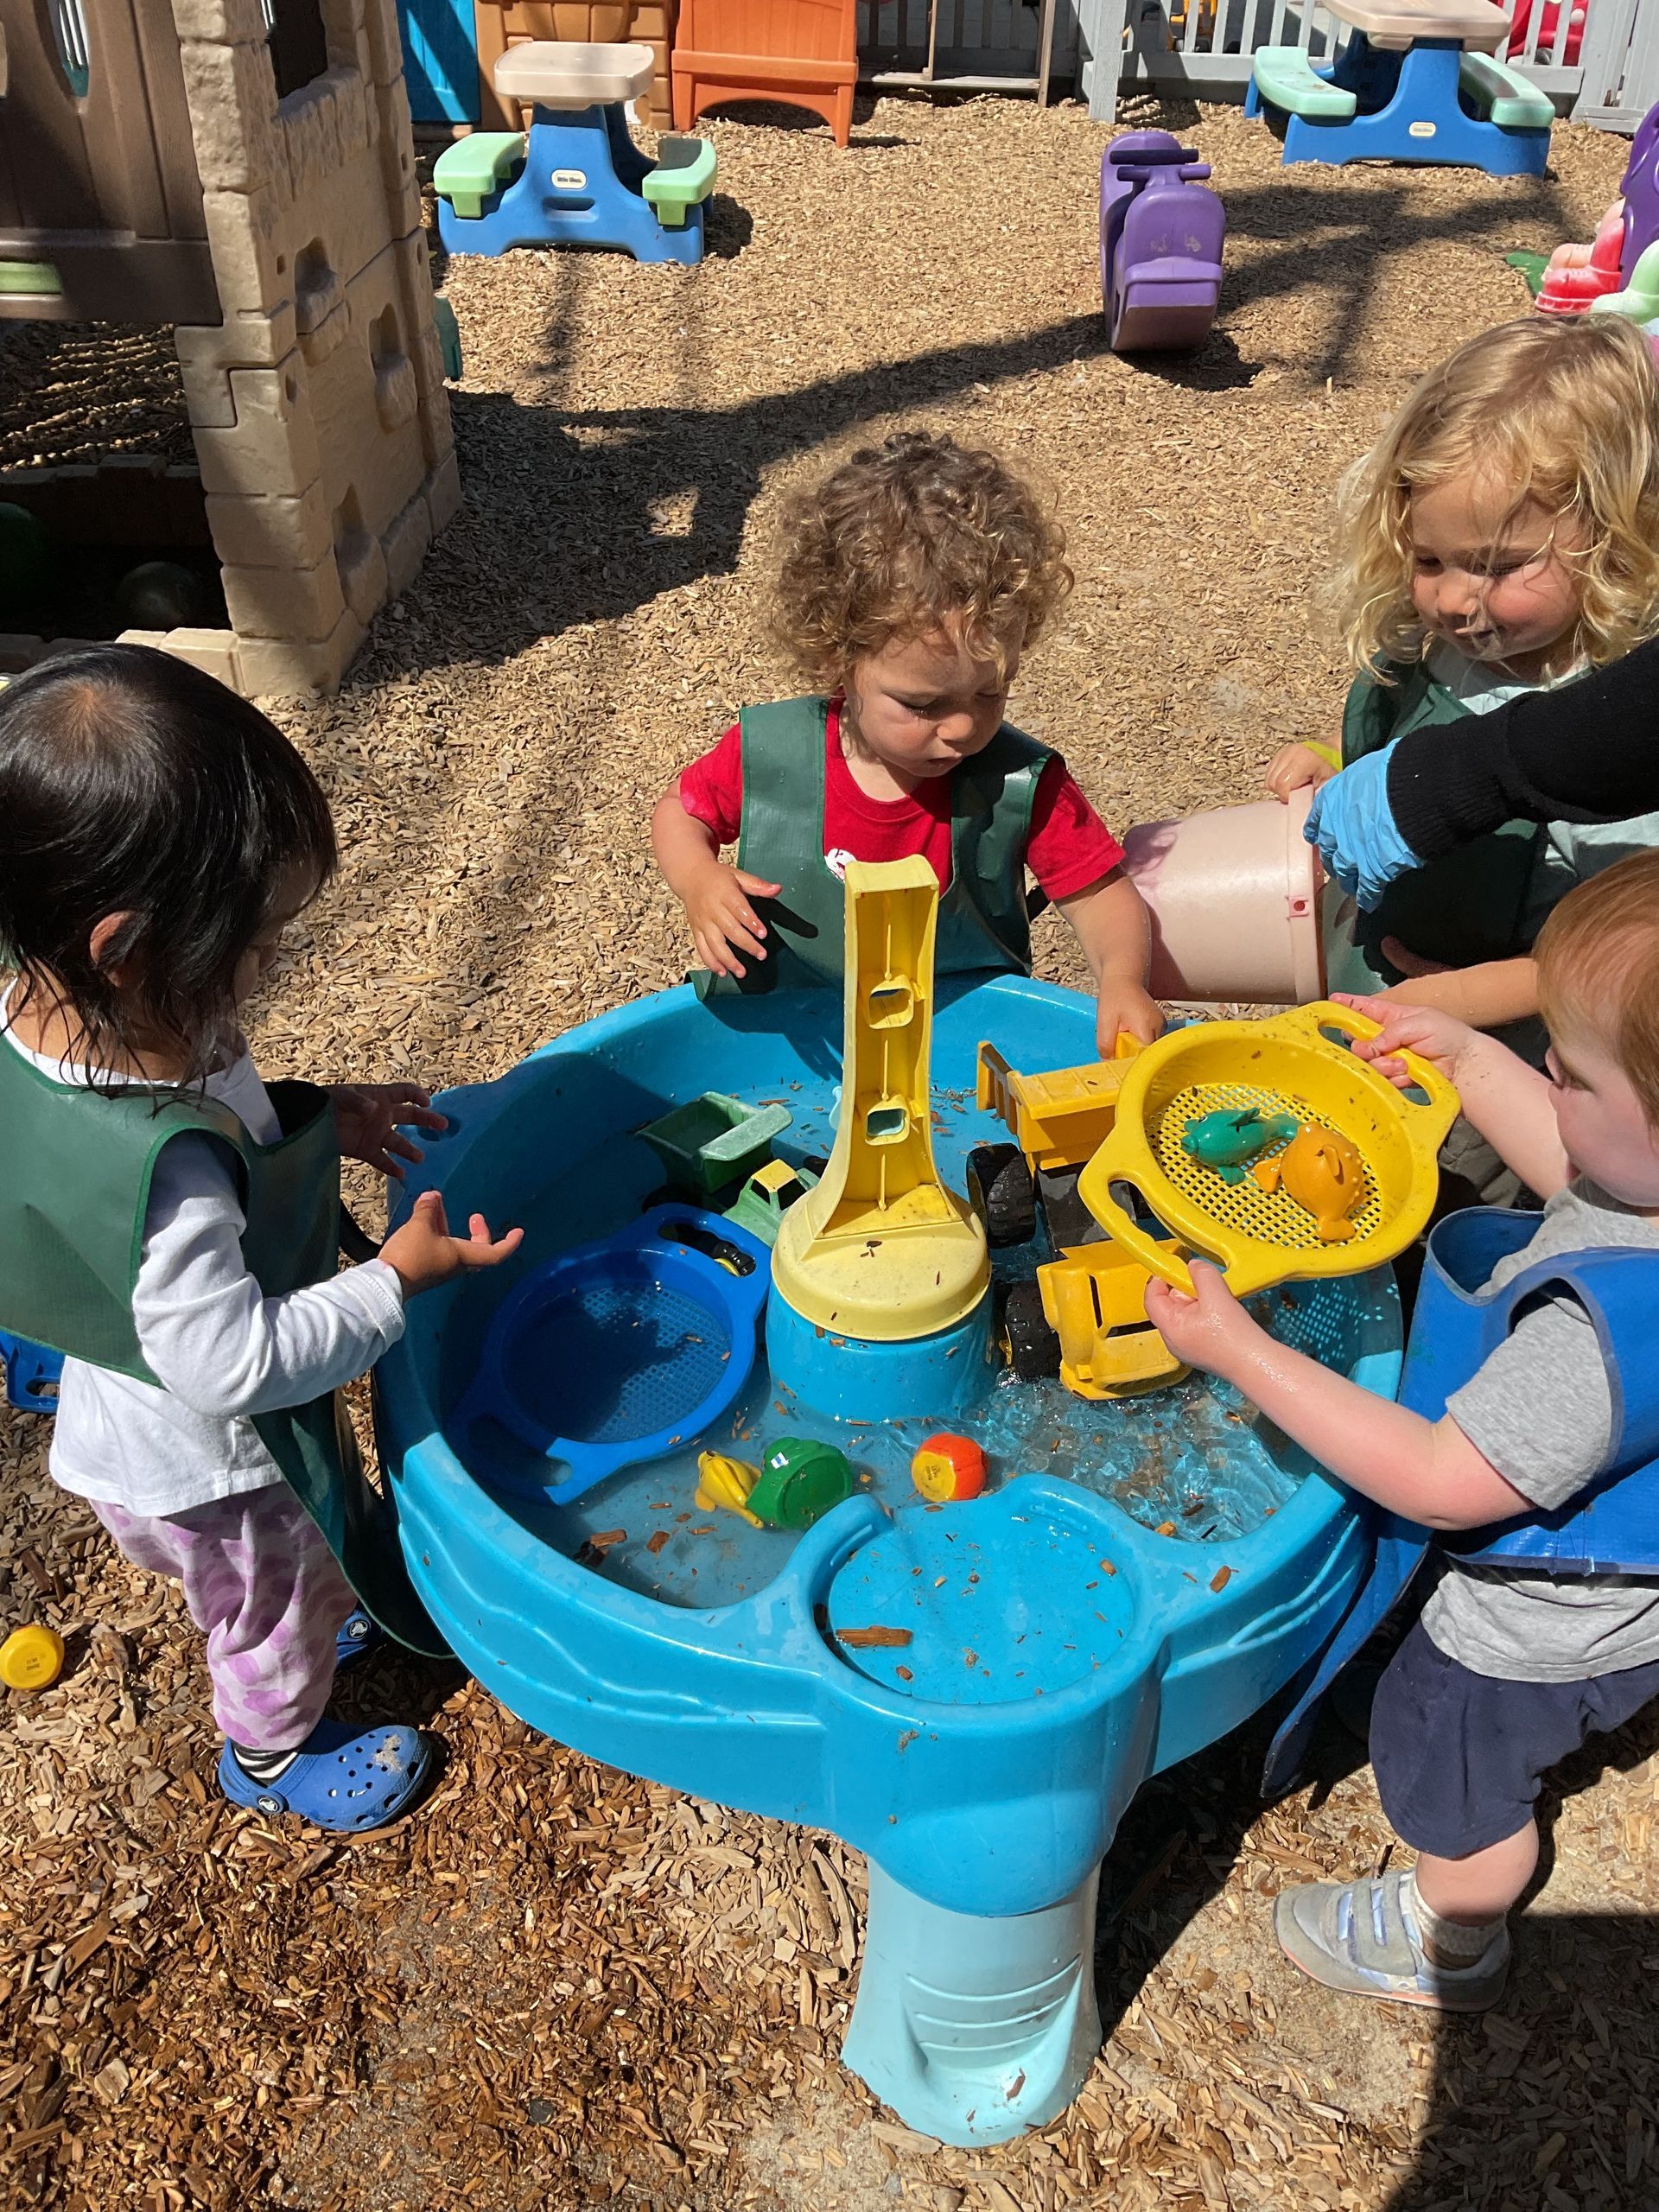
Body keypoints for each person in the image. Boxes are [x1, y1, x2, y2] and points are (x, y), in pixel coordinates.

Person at [0, 646, 521, 1833]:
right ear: (125, 949)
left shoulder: (60, 1006)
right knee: (261, 1614)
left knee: (287, 1577)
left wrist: (314, 1116)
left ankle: (321, 1607)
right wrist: (395, 1283)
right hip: (208, 1467)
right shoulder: (170, 1173)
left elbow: (209, 1109)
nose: (270, 963)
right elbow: (230, 1365)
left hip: (130, 1385)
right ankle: (272, 1750)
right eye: (260, 935)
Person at [1145, 853, 1659, 2013]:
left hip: (1532, 1631)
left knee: (1448, 1765)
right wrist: (1470, 1056)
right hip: (1622, 1567)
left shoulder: (1601, 1344)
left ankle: (1450, 1934)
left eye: (1567, 1073)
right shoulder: (1646, 1196)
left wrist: (1243, 1352)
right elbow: (1581, 1176)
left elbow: (1436, 1480)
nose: (1551, 1088)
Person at [649, 430, 1162, 1057]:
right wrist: (699, 878)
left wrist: (1123, 978)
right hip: (784, 1042)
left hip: (952, 1049)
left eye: (990, 692)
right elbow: (681, 813)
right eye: (923, 705)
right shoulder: (776, 754)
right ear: (838, 658)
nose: (964, 728)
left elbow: (1101, 894)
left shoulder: (1019, 783)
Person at [1265, 315, 1659, 1039]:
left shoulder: (1618, 730)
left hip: (1510, 1034)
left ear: (1615, 536)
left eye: (1499, 566)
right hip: (1381, 981)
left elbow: (1628, 948)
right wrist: (1336, 752)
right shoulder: (1458, 643)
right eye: (1429, 560)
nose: (1451, 600)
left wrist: (1460, 1005)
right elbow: (1418, 720)